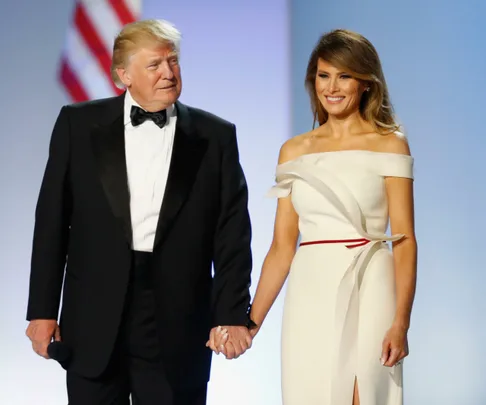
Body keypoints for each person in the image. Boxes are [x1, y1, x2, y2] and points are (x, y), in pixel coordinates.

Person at [25, 19, 254, 405]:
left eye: (174, 62)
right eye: (155, 65)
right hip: (93, 316)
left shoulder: (215, 136)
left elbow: (231, 233)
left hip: (178, 319)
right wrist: (42, 311)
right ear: (123, 75)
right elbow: (51, 223)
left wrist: (231, 313)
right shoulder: (77, 125)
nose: (168, 73)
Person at [250, 29, 417, 405]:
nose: (333, 87)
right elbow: (281, 248)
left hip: (371, 282)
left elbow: (405, 239)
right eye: (324, 75)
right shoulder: (293, 151)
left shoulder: (390, 143)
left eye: (344, 76)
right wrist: (251, 323)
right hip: (310, 288)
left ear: (366, 83)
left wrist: (401, 322)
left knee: (365, 392)